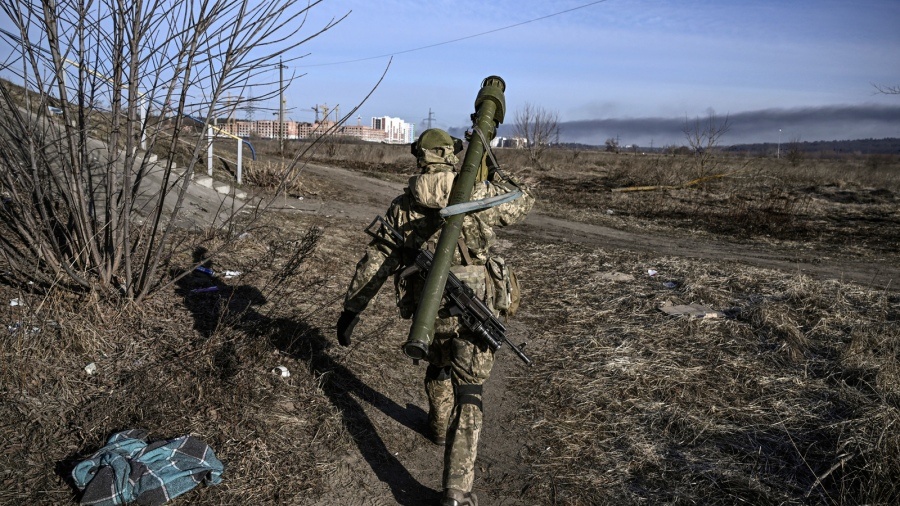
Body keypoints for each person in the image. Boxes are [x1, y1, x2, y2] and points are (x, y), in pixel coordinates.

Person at [336, 128, 534, 505]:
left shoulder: (404, 205)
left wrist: (351, 309)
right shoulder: (476, 195)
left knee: (438, 362)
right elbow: (523, 201)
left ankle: (439, 426)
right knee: (470, 390)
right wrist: (494, 169)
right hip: (477, 302)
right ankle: (456, 490)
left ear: (419, 157)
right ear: (452, 154)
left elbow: (378, 260)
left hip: (429, 307)